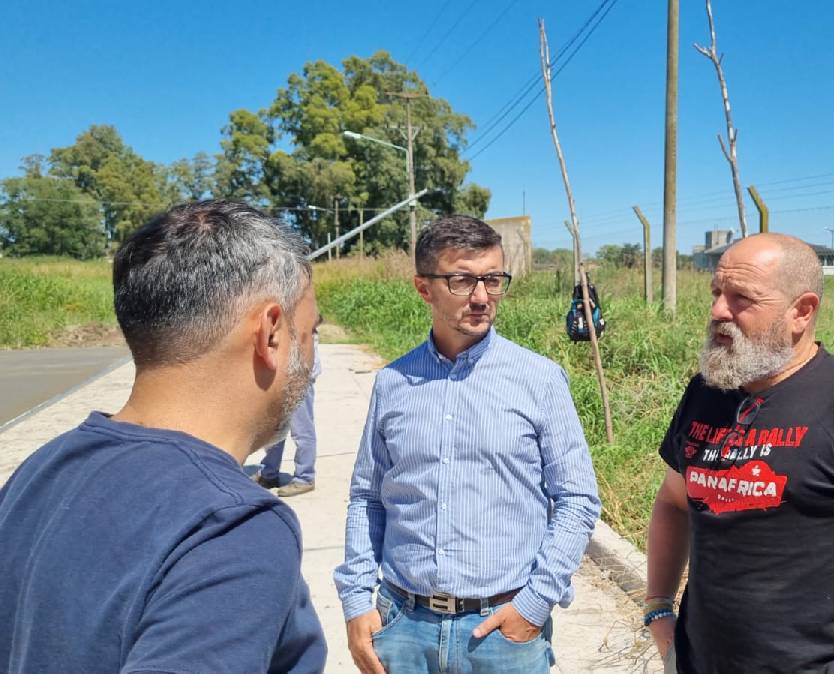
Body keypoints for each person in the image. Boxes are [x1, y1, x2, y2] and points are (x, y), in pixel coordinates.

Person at [0, 200, 327, 672]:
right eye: (310, 331)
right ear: (271, 332)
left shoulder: (41, 470)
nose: (312, 358)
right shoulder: (231, 526)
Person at [334, 215, 600, 674]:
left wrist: (535, 605)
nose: (481, 297)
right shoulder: (393, 383)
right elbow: (368, 497)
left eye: (493, 280)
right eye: (462, 280)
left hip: (500, 634)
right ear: (424, 288)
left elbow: (577, 499)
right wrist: (358, 602)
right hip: (402, 627)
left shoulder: (539, 380)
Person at [647, 233, 834, 674]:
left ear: (802, 311)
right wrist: (658, 610)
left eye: (742, 298)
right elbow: (673, 502)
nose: (719, 310)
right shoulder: (707, 389)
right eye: (717, 293)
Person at [256, 336, 321, 496]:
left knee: (301, 431)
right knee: (275, 428)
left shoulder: (303, 314)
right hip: (281, 374)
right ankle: (268, 473)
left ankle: (304, 478)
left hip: (300, 375)